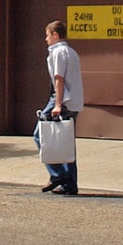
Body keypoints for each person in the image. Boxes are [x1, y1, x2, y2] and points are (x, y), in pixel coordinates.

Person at [38, 19, 84, 195]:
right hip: (73, 102)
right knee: (66, 144)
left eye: (47, 35)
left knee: (39, 135)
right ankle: (69, 185)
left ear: (55, 35)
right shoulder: (72, 52)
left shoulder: (58, 52)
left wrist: (57, 104)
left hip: (61, 100)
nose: (46, 39)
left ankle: (58, 175)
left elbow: (59, 79)